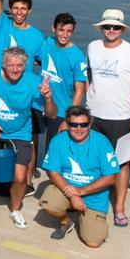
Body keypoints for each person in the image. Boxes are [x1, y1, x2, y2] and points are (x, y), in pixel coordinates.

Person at [0, 45, 55, 229]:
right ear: (3, 64)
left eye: (19, 66)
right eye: (11, 65)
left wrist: (47, 99)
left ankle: (15, 209)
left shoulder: (33, 82)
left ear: (26, 66)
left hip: (20, 133)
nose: (15, 69)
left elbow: (52, 114)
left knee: (20, 177)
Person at [85, 8, 130, 229]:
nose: (111, 30)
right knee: (92, 158)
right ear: (102, 27)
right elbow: (89, 76)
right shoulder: (92, 47)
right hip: (93, 115)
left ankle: (119, 208)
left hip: (121, 117)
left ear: (122, 29)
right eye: (107, 26)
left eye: (116, 27)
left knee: (122, 164)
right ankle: (91, 199)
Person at [39, 105, 120, 247]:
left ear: (90, 124)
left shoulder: (102, 143)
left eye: (83, 124)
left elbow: (111, 177)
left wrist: (81, 192)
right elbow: (53, 173)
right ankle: (66, 221)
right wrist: (74, 195)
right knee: (50, 204)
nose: (79, 128)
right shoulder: (58, 141)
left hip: (93, 195)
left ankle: (85, 217)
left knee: (93, 243)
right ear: (67, 124)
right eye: (73, 124)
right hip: (67, 189)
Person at [34, 12, 88, 183]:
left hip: (60, 111)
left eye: (69, 31)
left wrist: (69, 118)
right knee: (32, 142)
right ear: (53, 28)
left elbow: (80, 90)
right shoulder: (47, 43)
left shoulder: (77, 56)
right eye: (61, 30)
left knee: (55, 149)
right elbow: (35, 60)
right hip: (37, 103)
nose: (64, 35)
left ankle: (56, 184)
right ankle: (29, 178)